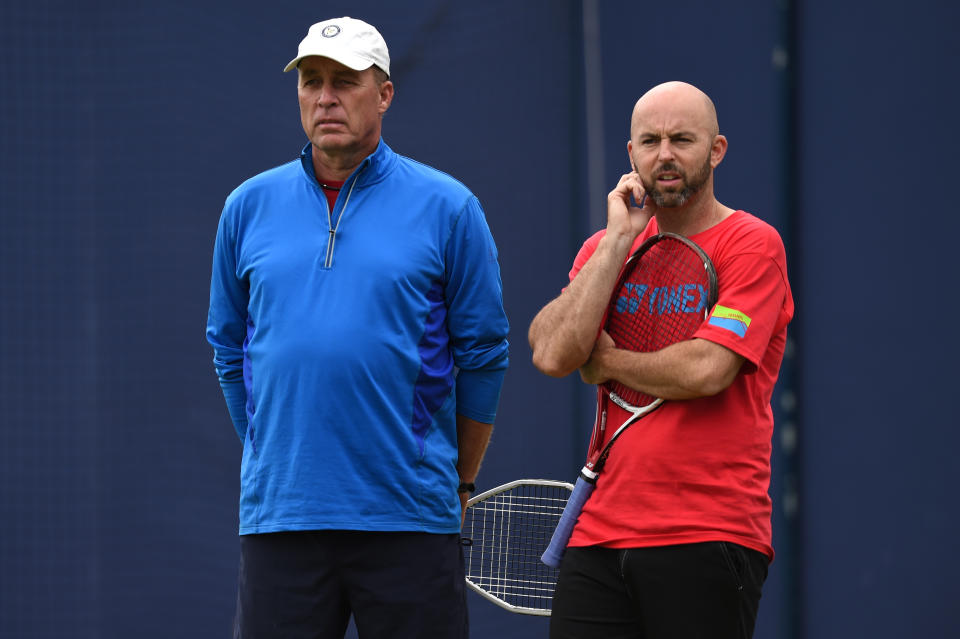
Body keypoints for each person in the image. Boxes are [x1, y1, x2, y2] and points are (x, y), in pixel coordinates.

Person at [205, 17, 509, 639]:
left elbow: (484, 352)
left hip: (410, 520)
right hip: (282, 522)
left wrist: (460, 480)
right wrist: (273, 451)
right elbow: (227, 348)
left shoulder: (450, 208)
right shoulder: (246, 207)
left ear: (385, 93)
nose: (325, 97)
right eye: (312, 82)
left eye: (344, 81)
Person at [528, 81, 793, 638]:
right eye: (650, 141)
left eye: (682, 139)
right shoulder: (608, 248)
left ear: (716, 150)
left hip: (709, 533)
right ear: (631, 156)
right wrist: (617, 240)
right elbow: (552, 352)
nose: (665, 155)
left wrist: (612, 362)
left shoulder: (752, 244)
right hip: (597, 535)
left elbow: (708, 369)